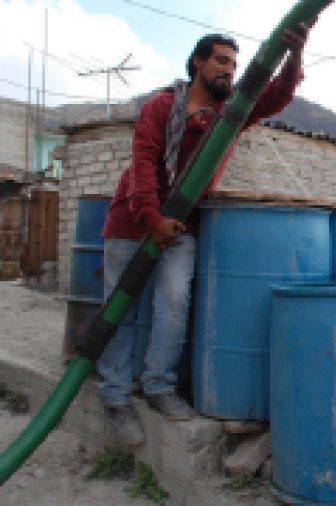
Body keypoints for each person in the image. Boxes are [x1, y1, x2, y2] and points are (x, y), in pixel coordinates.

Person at [98, 22, 314, 445]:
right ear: (197, 62)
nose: (228, 70)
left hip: (182, 226)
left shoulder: (231, 113)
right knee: (121, 307)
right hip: (133, 220)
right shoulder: (160, 106)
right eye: (220, 61)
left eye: (233, 64)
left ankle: (158, 387)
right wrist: (151, 218)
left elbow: (279, 95)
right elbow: (143, 163)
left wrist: (294, 54)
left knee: (174, 302)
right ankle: (115, 396)